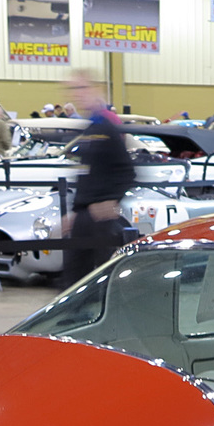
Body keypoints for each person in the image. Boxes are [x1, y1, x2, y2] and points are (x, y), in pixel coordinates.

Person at [57, 72, 136, 290]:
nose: (77, 95)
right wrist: (75, 211)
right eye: (72, 90)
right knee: (74, 279)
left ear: (95, 90)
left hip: (100, 220)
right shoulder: (89, 128)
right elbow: (86, 174)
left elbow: (127, 170)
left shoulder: (106, 126)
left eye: (81, 89)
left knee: (103, 280)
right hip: (83, 217)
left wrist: (112, 200)